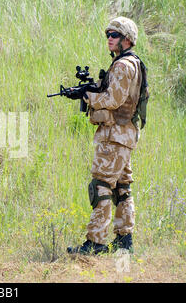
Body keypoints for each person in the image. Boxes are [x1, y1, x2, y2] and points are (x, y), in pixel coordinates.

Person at [67, 17, 147, 255]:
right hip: (123, 135)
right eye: (108, 35)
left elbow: (114, 100)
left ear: (127, 39)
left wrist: (88, 98)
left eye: (114, 35)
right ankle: (124, 240)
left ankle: (96, 243)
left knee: (101, 185)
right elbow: (113, 92)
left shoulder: (123, 66)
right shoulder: (128, 63)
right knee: (122, 187)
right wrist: (89, 89)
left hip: (115, 135)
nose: (109, 39)